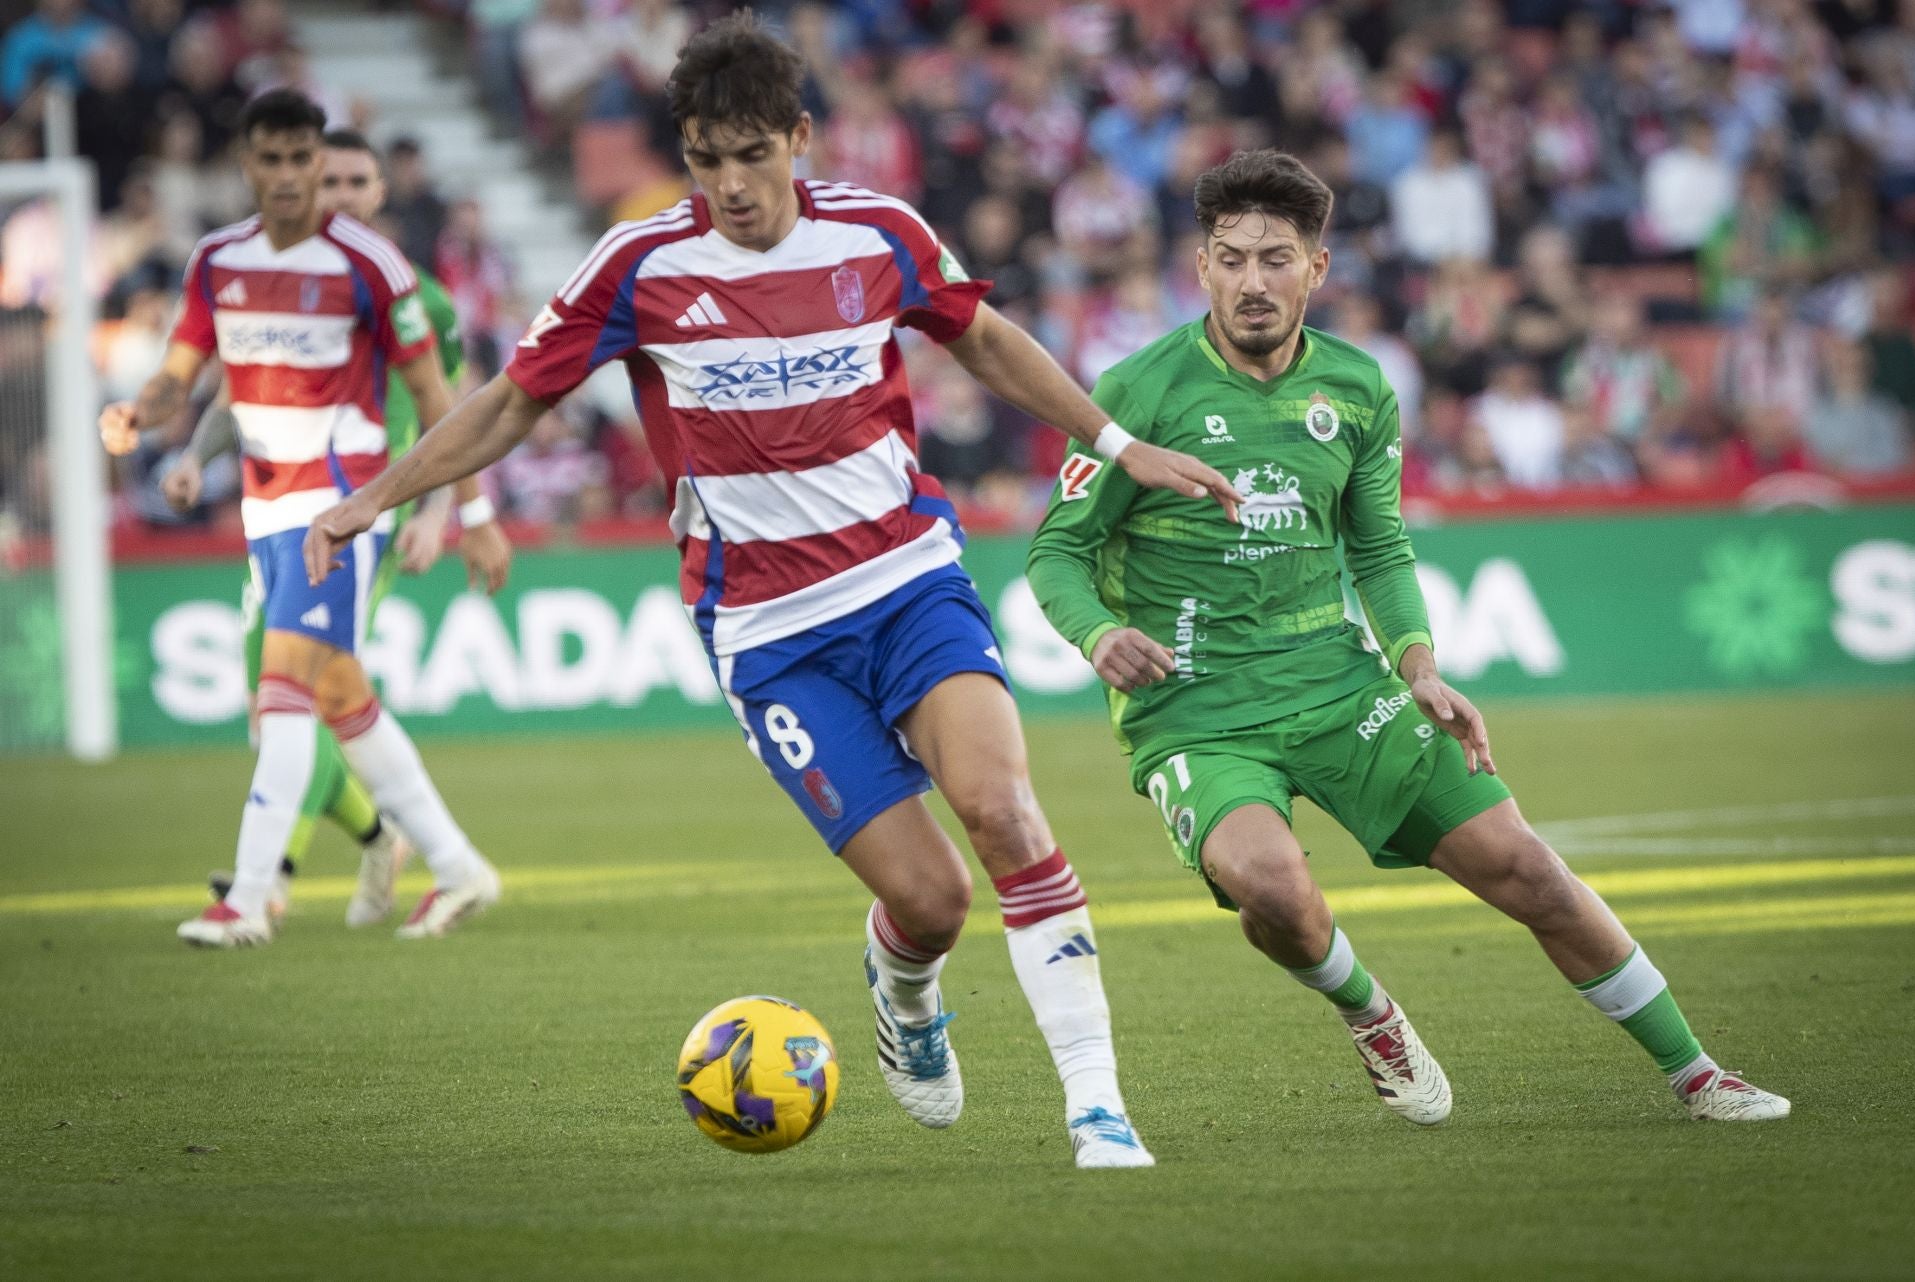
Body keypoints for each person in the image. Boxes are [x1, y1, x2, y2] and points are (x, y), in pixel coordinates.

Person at [304, 14, 1240, 1168]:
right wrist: (374, 497)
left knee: (1005, 812)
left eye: (753, 153)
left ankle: (1097, 1106)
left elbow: (984, 339)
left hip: (907, 580)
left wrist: (1113, 439)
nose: (733, 184)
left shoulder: (878, 234)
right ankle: (904, 995)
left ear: (799, 137)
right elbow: (510, 403)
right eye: (705, 158)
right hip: (769, 634)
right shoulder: (641, 268)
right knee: (934, 902)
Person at [1026, 149, 1790, 1126]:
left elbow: (1378, 545)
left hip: (1341, 688)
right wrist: (1096, 635)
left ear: (1318, 269)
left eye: (1275, 258)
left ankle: (1697, 1072)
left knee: (1528, 867)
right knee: (1271, 886)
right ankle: (1369, 1010)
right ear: (1202, 266)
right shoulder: (1137, 392)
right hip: (1197, 710)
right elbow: (1056, 551)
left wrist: (1419, 664)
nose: (1252, 280)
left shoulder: (1358, 388)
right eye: (1230, 258)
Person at [99, 90, 504, 948]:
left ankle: (248, 897)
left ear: (318, 163)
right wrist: (140, 411)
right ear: (245, 164)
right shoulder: (216, 260)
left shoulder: (374, 268)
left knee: (282, 694)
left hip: (342, 511)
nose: (288, 177)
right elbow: (188, 371)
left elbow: (439, 397)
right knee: (342, 701)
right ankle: (459, 866)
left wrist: (472, 510)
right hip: (265, 510)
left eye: (301, 160)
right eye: (270, 160)